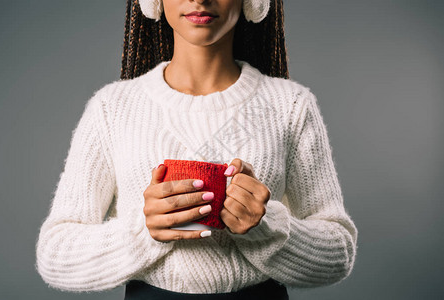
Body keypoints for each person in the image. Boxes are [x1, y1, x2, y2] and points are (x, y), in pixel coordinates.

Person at [35, 0, 358, 299]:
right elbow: (55, 256)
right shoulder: (112, 108)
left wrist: (266, 226)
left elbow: (338, 254)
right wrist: (142, 233)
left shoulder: (290, 106)